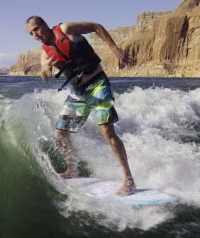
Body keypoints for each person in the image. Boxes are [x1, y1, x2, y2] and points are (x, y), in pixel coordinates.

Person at [25, 15, 136, 196]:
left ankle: (129, 180)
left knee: (107, 131)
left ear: (44, 25)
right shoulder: (45, 52)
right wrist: (45, 71)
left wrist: (114, 49)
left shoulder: (66, 29)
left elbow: (96, 26)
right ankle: (72, 169)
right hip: (78, 92)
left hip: (97, 84)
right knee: (60, 134)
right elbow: (45, 76)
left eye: (36, 29)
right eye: (31, 34)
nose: (35, 35)